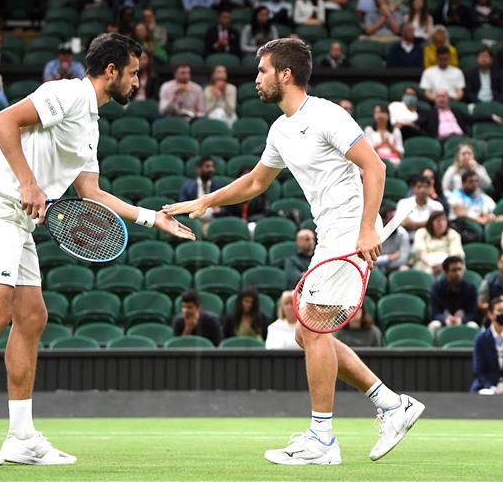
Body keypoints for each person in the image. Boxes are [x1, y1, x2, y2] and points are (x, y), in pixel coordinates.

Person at [0, 34, 195, 466]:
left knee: (32, 316)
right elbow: (3, 121)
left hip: (19, 218)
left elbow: (92, 194)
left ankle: (21, 436)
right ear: (111, 71)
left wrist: (151, 217)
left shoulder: (91, 124)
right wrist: (29, 182)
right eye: (133, 73)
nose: (137, 82)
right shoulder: (66, 93)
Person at [164, 38, 424, 465]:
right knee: (307, 331)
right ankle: (392, 405)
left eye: (263, 70)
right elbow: (253, 183)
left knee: (313, 328)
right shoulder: (281, 130)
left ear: (285, 74)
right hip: (331, 232)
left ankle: (322, 438)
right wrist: (206, 201)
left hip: (349, 228)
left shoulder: (326, 114)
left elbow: (374, 166)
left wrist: (365, 230)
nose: (257, 78)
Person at [428, 256, 479, 335]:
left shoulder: (470, 288)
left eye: (460, 269)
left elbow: (473, 313)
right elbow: (434, 313)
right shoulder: (437, 288)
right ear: (446, 272)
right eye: (454, 270)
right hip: (444, 321)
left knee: (473, 326)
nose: (458, 273)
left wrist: (461, 320)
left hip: (463, 321)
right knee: (434, 325)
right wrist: (445, 319)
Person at [412, 210, 462, 276]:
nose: (441, 223)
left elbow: (455, 254)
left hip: (447, 263)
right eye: (438, 221)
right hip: (427, 263)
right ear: (431, 222)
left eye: (444, 220)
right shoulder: (421, 232)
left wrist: (442, 265)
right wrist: (431, 264)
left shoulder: (453, 234)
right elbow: (420, 252)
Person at [376, 204, 410, 275]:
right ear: (383, 221)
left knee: (404, 269)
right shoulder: (375, 233)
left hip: (395, 267)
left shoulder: (402, 233)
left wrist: (386, 264)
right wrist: (388, 258)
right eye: (392, 219)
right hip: (376, 267)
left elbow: (404, 258)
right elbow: (371, 260)